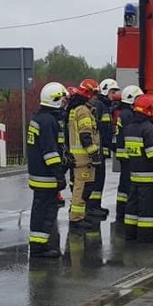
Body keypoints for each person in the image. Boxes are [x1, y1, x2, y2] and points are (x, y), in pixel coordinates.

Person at [27, 82, 69, 258]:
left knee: (40, 209)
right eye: (62, 99)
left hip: (38, 173)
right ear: (55, 100)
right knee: (46, 211)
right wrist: (59, 175)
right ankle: (39, 247)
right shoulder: (49, 121)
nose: (65, 102)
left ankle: (38, 244)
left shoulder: (38, 118)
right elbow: (50, 152)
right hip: (46, 176)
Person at [124, 94, 153, 242]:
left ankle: (130, 233)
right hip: (148, 175)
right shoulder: (149, 129)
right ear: (148, 110)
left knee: (132, 206)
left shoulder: (129, 128)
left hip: (134, 173)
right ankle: (146, 236)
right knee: (147, 208)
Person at [67, 78, 103, 230]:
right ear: (88, 94)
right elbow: (86, 136)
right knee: (81, 189)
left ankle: (79, 215)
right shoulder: (83, 111)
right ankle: (76, 219)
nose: (96, 98)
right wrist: (95, 154)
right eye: (95, 95)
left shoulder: (78, 109)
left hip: (79, 157)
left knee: (82, 188)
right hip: (83, 158)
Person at [90, 78, 120, 215]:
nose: (114, 95)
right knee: (97, 179)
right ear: (105, 90)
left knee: (99, 178)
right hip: (98, 149)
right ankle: (93, 207)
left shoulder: (104, 105)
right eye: (113, 92)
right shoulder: (100, 106)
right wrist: (113, 146)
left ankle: (96, 205)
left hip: (101, 149)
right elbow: (102, 130)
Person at [114, 85, 144, 222]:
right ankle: (124, 211)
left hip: (123, 153)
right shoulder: (128, 115)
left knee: (124, 183)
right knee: (127, 184)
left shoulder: (124, 113)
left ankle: (121, 209)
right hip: (127, 154)